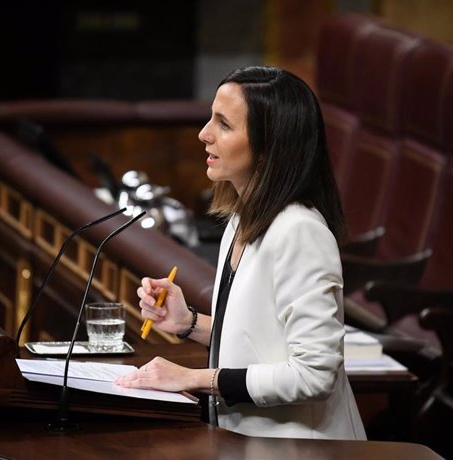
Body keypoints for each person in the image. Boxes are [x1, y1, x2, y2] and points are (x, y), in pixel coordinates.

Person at [115, 66, 366, 440]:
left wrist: (194, 379)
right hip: (247, 442)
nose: (204, 134)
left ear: (268, 149)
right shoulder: (240, 219)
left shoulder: (301, 232)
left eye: (224, 124)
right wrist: (188, 322)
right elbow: (262, 340)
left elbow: (315, 375)